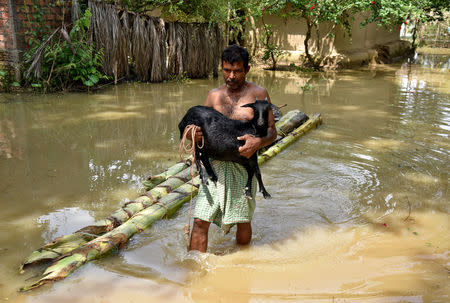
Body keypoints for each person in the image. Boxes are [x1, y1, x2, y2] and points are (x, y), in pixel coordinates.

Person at [188, 45, 277, 252]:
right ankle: (193, 270)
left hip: (243, 165)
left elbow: (272, 131)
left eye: (237, 71)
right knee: (201, 220)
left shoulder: (259, 94)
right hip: (214, 165)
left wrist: (257, 142)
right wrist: (195, 135)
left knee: (242, 219)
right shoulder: (213, 97)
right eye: (227, 70)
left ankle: (242, 261)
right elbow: (199, 128)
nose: (231, 76)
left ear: (247, 69)